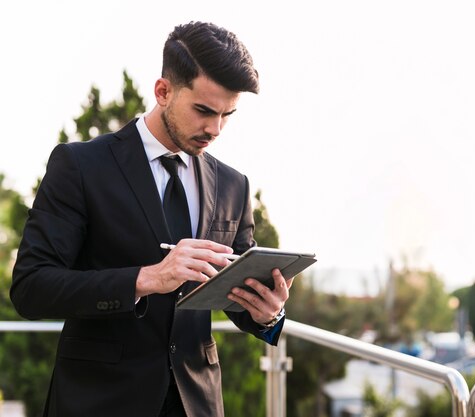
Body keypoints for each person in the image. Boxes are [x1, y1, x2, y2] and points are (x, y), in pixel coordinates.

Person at [10, 21, 291, 417]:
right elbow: (31, 287)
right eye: (203, 111)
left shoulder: (233, 185)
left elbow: (234, 290)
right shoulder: (81, 166)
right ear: (163, 91)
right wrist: (146, 279)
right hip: (99, 402)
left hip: (196, 404)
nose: (215, 129)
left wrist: (268, 313)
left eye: (228, 115)